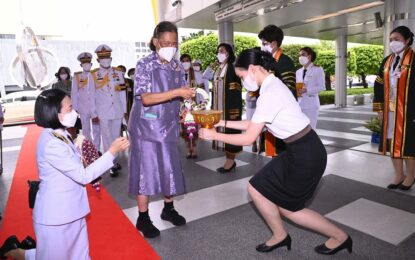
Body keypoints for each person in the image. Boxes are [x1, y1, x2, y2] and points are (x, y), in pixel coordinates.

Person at [199, 48, 352, 255]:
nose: (243, 81)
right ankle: (280, 235)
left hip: (307, 155)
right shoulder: (272, 86)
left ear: (252, 69)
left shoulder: (270, 92)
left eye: (242, 76)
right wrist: (221, 122)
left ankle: (341, 237)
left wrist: (214, 136)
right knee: (256, 187)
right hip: (298, 150)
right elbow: (254, 123)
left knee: (290, 209)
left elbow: (249, 137)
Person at [0, 89, 129, 260]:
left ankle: (16, 250)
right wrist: (111, 152)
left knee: (79, 256)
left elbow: (75, 166)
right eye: (69, 109)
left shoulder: (62, 134)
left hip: (73, 210)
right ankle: (14, 252)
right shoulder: (51, 143)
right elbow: (82, 176)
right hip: (55, 216)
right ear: (54, 113)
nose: (74, 113)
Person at [128, 21, 195, 238]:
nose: (170, 47)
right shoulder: (145, 64)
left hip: (168, 125)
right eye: (165, 43)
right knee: (145, 172)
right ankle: (143, 217)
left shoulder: (176, 66)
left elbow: (181, 95)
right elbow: (146, 98)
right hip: (145, 127)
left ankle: (168, 209)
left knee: (169, 168)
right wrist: (176, 92)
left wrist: (185, 109)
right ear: (156, 42)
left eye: (174, 43)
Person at [373, 25, 415, 191]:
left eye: (397, 39)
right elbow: (378, 85)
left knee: (409, 143)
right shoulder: (387, 62)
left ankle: (411, 174)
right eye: (391, 40)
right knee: (392, 142)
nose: (393, 43)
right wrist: (379, 109)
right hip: (390, 110)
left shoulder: (413, 61)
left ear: (408, 40)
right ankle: (398, 174)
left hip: (409, 111)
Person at [258, 24, 297, 157]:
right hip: (270, 113)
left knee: (283, 151)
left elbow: (289, 90)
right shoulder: (265, 61)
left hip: (282, 114)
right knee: (275, 152)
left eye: (264, 43)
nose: (262, 46)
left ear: (274, 43)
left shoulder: (285, 62)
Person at [203, 43, 243, 173]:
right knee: (222, 135)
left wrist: (234, 111)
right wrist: (211, 66)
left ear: (229, 53)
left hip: (229, 109)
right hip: (219, 108)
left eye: (222, 51)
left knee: (230, 133)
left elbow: (236, 89)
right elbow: (206, 76)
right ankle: (229, 159)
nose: (219, 53)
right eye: (218, 51)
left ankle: (230, 161)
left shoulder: (233, 68)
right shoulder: (218, 68)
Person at [91, 44, 127, 177]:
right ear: (98, 60)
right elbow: (91, 96)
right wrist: (94, 113)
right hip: (103, 112)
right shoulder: (93, 75)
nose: (105, 60)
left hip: (117, 110)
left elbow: (122, 93)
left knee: (116, 137)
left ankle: (114, 160)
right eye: (103, 58)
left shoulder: (118, 72)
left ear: (111, 59)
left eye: (107, 57)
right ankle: (110, 163)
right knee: (106, 138)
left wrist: (124, 110)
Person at [71, 52, 101, 150]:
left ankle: (97, 148)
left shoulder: (96, 75)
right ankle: (90, 147)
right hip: (82, 107)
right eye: (84, 64)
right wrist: (75, 108)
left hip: (95, 107)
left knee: (96, 128)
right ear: (81, 65)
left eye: (88, 63)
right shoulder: (77, 76)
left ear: (92, 64)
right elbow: (74, 93)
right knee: (86, 129)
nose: (87, 65)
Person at [296, 47, 325, 130]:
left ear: (309, 56)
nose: (300, 57)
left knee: (311, 129)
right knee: (300, 129)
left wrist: (307, 90)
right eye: (299, 55)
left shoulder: (318, 69)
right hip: (299, 104)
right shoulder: (298, 71)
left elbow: (322, 87)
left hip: (311, 105)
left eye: (303, 54)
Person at [179, 53, 200, 158]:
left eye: (187, 60)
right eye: (183, 61)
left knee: (194, 127)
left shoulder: (195, 73)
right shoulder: (178, 74)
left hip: (194, 104)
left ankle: (194, 148)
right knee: (185, 127)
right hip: (182, 105)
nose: (185, 62)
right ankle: (188, 148)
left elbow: (201, 89)